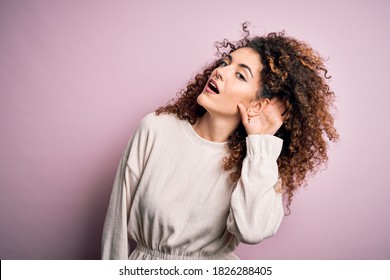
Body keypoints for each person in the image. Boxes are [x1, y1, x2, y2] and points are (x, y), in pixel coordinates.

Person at [101, 23, 339, 260]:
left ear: (256, 105)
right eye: (225, 63)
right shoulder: (156, 129)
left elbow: (253, 230)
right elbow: (116, 226)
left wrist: (261, 144)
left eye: (240, 75)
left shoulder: (256, 163)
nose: (220, 71)